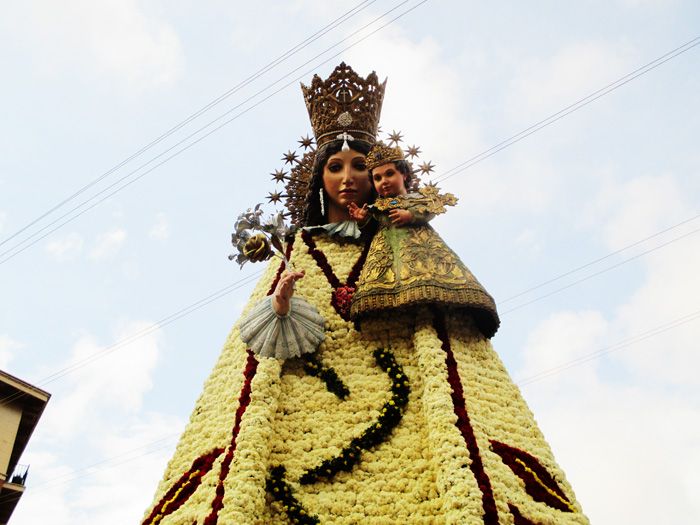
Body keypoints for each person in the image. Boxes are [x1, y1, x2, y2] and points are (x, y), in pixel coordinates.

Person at [143, 63, 588, 525]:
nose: (348, 177)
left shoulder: (406, 241)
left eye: (361, 166)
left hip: (419, 393)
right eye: (335, 167)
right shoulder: (299, 244)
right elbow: (258, 341)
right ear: (319, 179)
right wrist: (280, 306)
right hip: (304, 398)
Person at [347, 142, 499, 337]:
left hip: (420, 246)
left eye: (389, 174)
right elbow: (369, 229)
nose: (383, 181)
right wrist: (363, 220)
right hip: (386, 251)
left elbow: (428, 210)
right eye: (377, 178)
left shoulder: (415, 198)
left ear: (404, 175)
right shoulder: (376, 206)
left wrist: (410, 215)